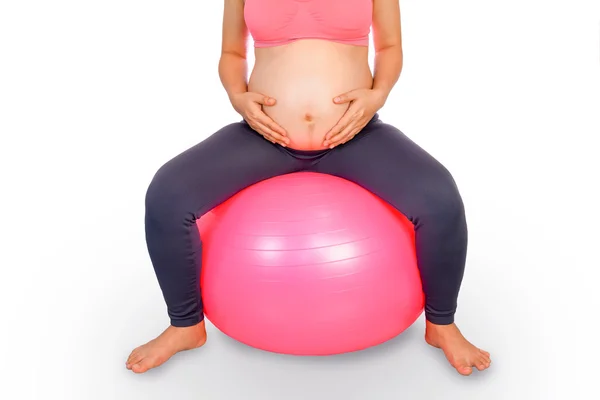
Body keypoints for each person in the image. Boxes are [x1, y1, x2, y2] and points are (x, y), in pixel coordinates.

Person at [126, 0, 491, 375]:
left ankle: (441, 325)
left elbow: (390, 48)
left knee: (439, 198)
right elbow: (232, 52)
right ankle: (185, 326)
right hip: (265, 138)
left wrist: (377, 94)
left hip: (354, 136)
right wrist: (238, 96)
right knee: (168, 195)